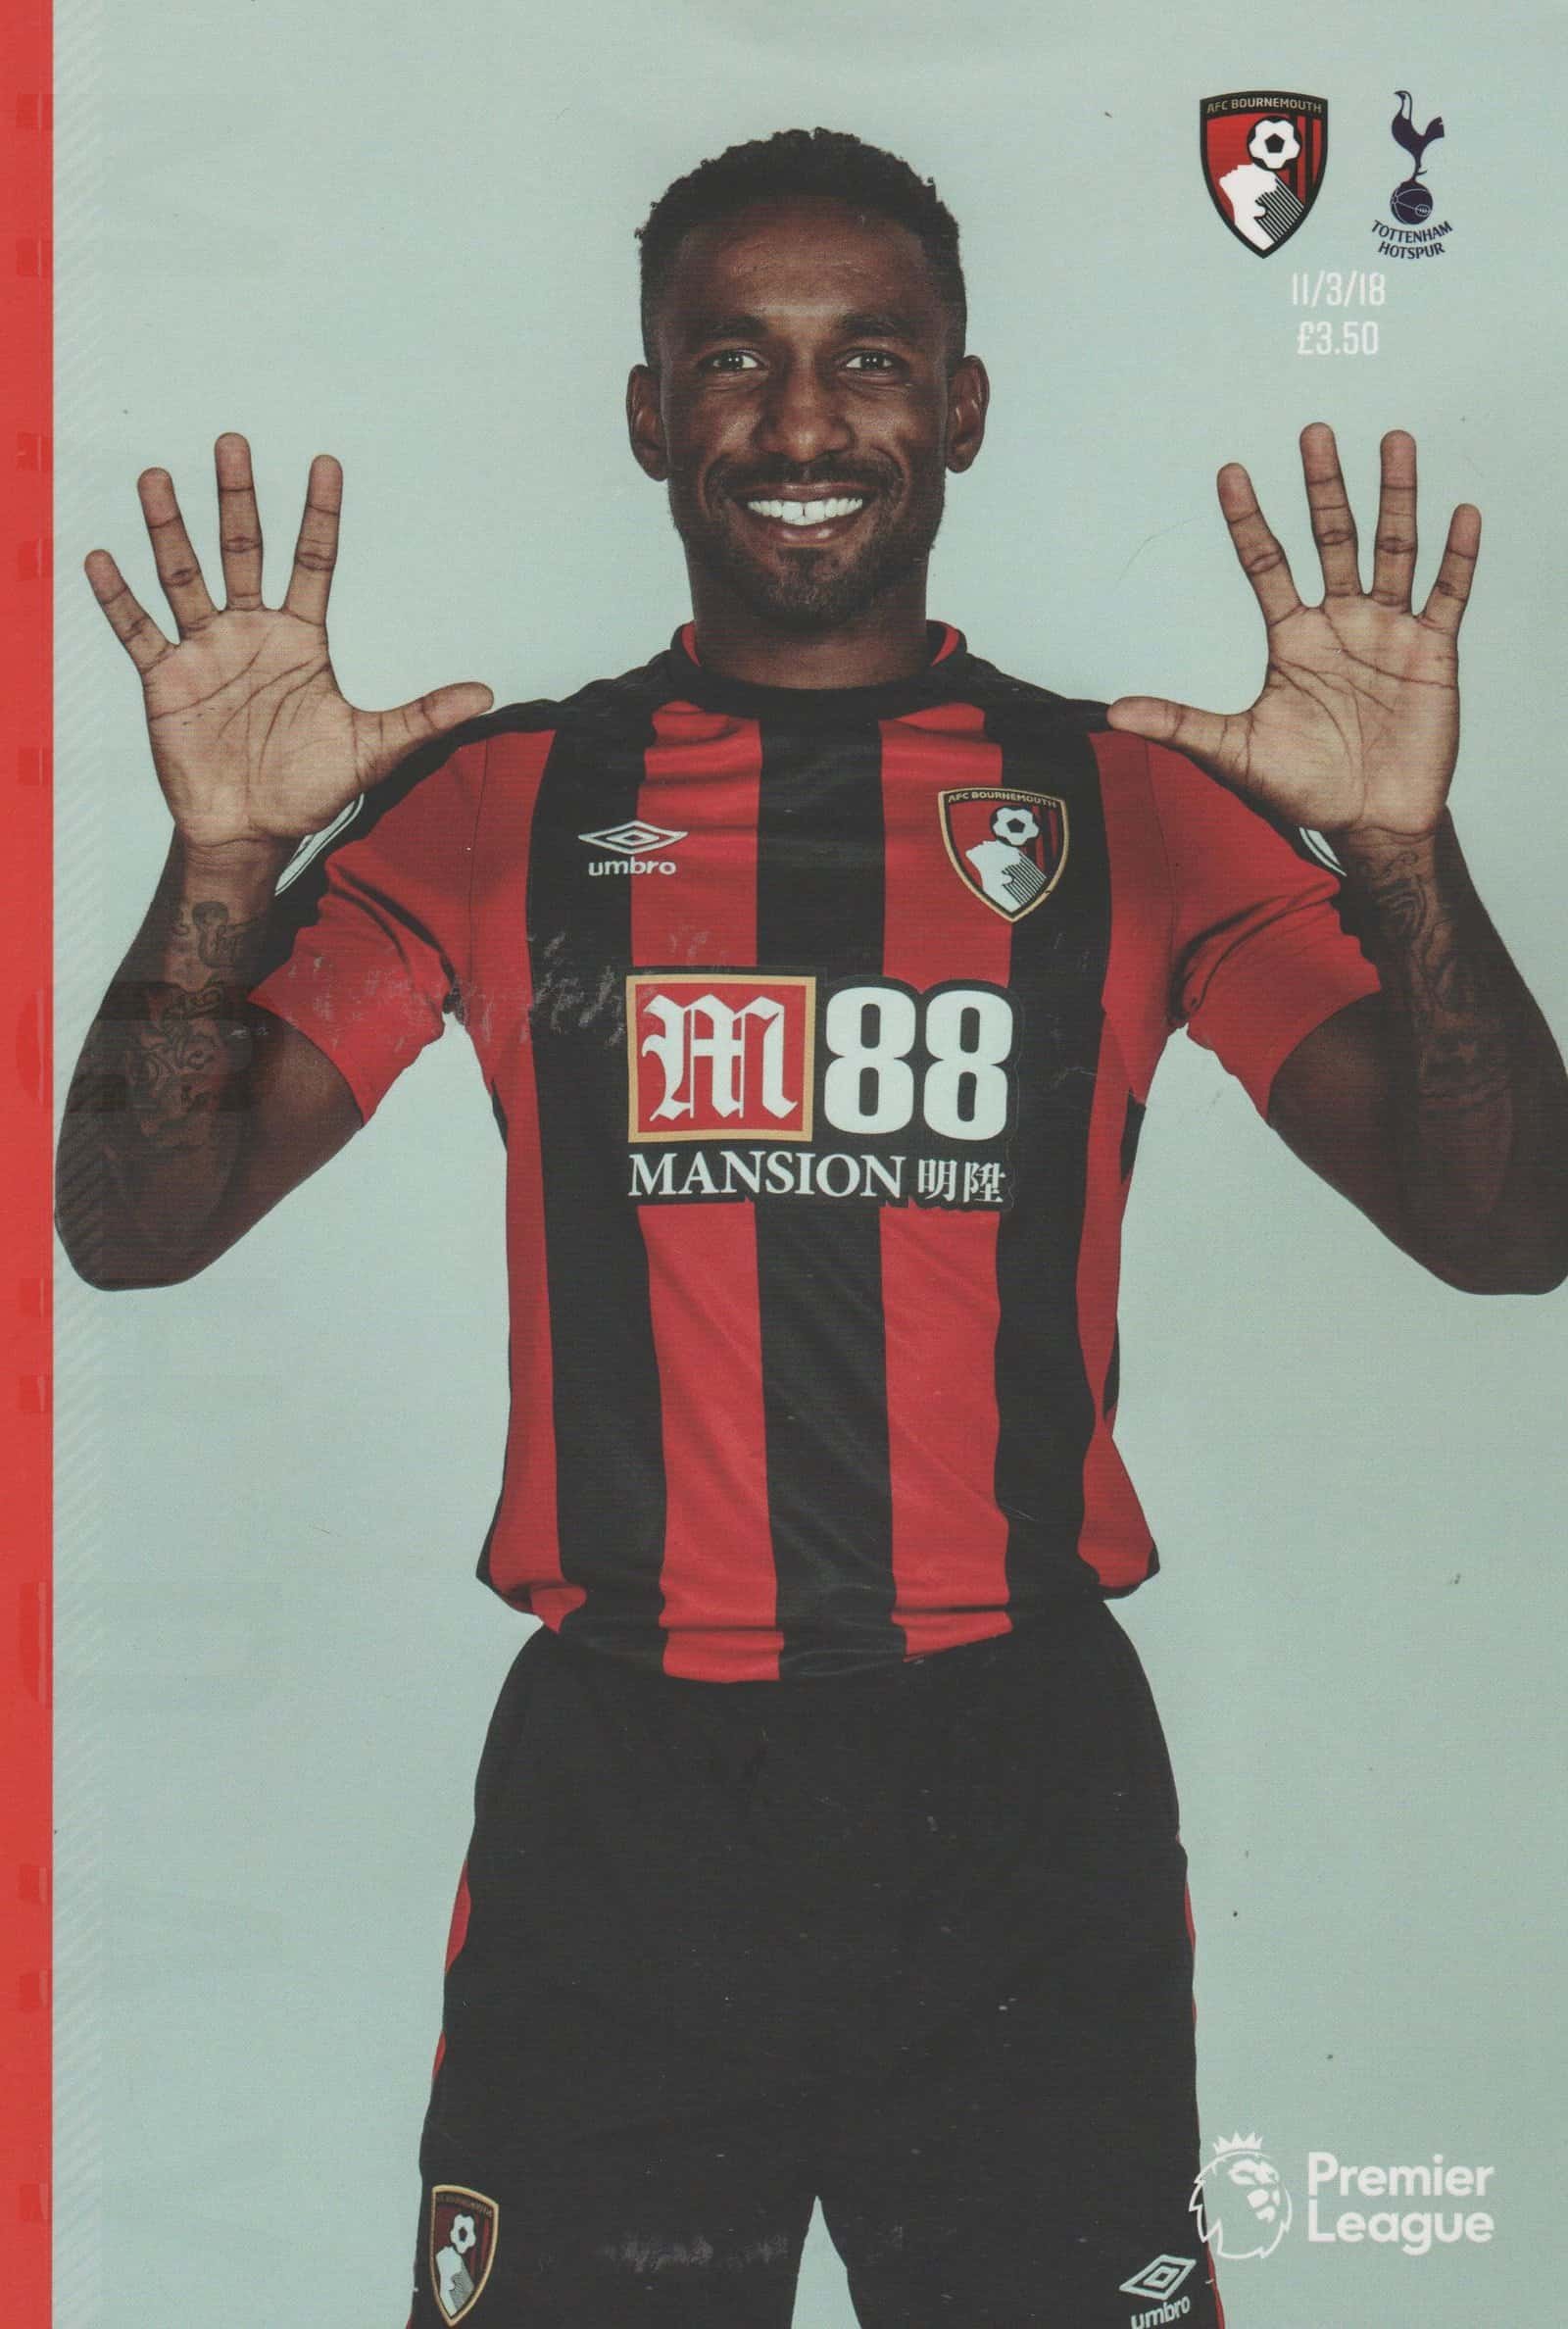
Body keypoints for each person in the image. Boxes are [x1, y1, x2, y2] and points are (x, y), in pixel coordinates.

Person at [57, 127, 1567, 2329]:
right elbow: (135, 1226)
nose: (798, 423)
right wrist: (216, 868)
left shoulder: (1127, 800)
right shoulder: (506, 802)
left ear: (961, 405)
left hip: (1014, 1793)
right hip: (626, 1804)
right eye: (730, 359)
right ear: (645, 411)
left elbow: (1507, 1230)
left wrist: (1405, 857)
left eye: (868, 358)